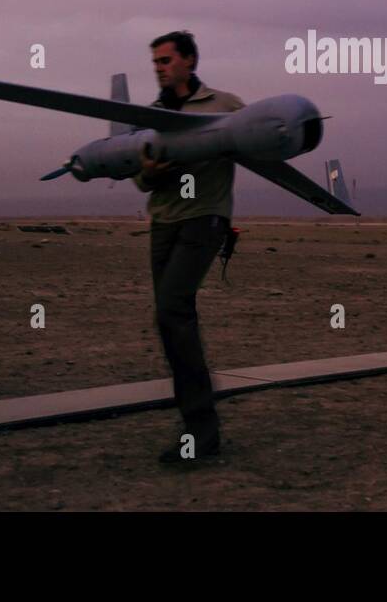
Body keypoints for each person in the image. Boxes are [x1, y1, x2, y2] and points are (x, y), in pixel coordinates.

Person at [133, 30, 244, 463]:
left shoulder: (224, 105)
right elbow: (140, 179)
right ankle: (196, 427)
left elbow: (258, 142)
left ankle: (202, 432)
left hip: (205, 219)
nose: (159, 67)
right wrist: (151, 171)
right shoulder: (152, 114)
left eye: (166, 60)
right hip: (164, 222)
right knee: (171, 320)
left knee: (172, 310)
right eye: (155, 62)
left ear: (190, 61)